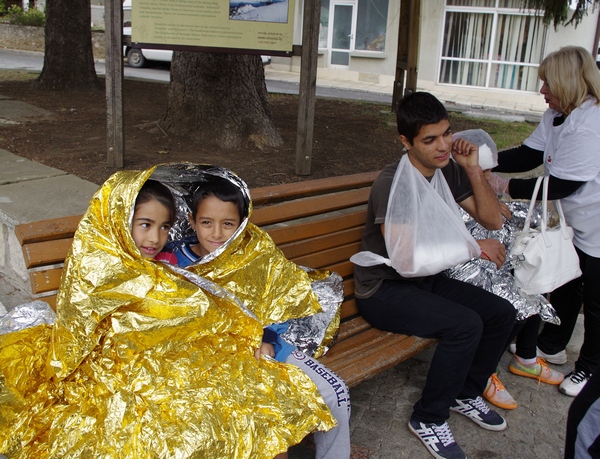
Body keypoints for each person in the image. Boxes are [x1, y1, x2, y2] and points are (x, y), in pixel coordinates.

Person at [0, 165, 337, 458]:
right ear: (120, 221)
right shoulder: (100, 267)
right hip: (125, 370)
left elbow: (196, 312)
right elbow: (84, 329)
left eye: (163, 228)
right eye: (145, 225)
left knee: (257, 402)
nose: (155, 238)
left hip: (188, 360)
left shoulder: (168, 265)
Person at [351, 92, 516, 459]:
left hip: (422, 282)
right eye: (429, 140)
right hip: (384, 289)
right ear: (405, 142)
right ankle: (428, 417)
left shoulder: (449, 169)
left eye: (446, 133)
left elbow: (491, 220)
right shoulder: (393, 184)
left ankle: (465, 393)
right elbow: (408, 260)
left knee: (502, 313)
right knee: (465, 325)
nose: (443, 146)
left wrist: (472, 168)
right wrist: (473, 247)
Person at [168, 169, 351, 459]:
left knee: (335, 392)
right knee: (265, 418)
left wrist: (265, 336)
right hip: (213, 362)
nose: (216, 233)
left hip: (266, 347)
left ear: (242, 224)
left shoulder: (254, 255)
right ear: (191, 222)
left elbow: (273, 302)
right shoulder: (174, 263)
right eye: (206, 222)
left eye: (227, 223)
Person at [488, 46, 600, 398]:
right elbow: (529, 154)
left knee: (595, 300)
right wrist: (483, 160)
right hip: (574, 218)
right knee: (567, 283)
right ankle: (551, 344)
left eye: (547, 83)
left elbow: (562, 183)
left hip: (597, 224)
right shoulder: (557, 114)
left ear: (567, 82)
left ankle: (590, 369)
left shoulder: (592, 122)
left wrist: (501, 184)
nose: (542, 91)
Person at [446, 130, 564, 412]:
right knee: (514, 303)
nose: (487, 179)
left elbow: (521, 220)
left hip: (489, 261)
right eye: (481, 172)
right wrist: (475, 242)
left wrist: (510, 212)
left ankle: (524, 357)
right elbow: (445, 234)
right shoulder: (453, 192)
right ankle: (484, 373)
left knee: (531, 280)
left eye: (490, 172)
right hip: (459, 266)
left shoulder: (484, 190)